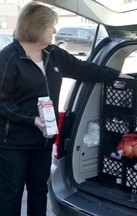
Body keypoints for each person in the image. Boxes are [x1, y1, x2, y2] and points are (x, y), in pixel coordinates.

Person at [0, 2, 120, 216]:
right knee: (10, 194)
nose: (55, 31)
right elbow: (2, 101)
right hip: (14, 144)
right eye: (51, 26)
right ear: (36, 26)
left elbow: (84, 69)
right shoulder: (8, 58)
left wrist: (116, 75)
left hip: (44, 140)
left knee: (38, 191)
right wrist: (32, 119)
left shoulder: (54, 54)